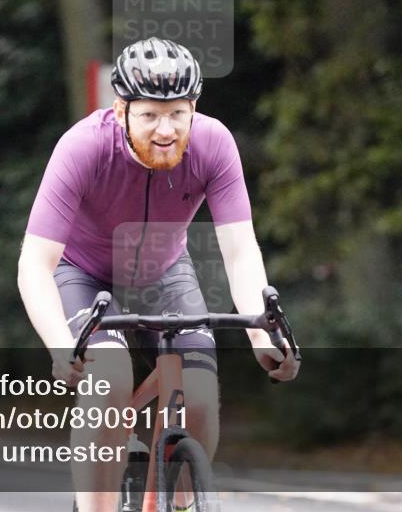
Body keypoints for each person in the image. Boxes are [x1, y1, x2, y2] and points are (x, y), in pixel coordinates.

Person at [18, 37, 299, 512]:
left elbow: (239, 252)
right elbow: (34, 263)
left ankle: (180, 505)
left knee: (201, 400)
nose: (165, 130)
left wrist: (261, 336)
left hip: (163, 272)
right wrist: (60, 347)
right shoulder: (83, 147)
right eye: (149, 115)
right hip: (84, 274)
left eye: (177, 114)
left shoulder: (213, 144)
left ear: (194, 109)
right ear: (121, 109)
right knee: (108, 377)